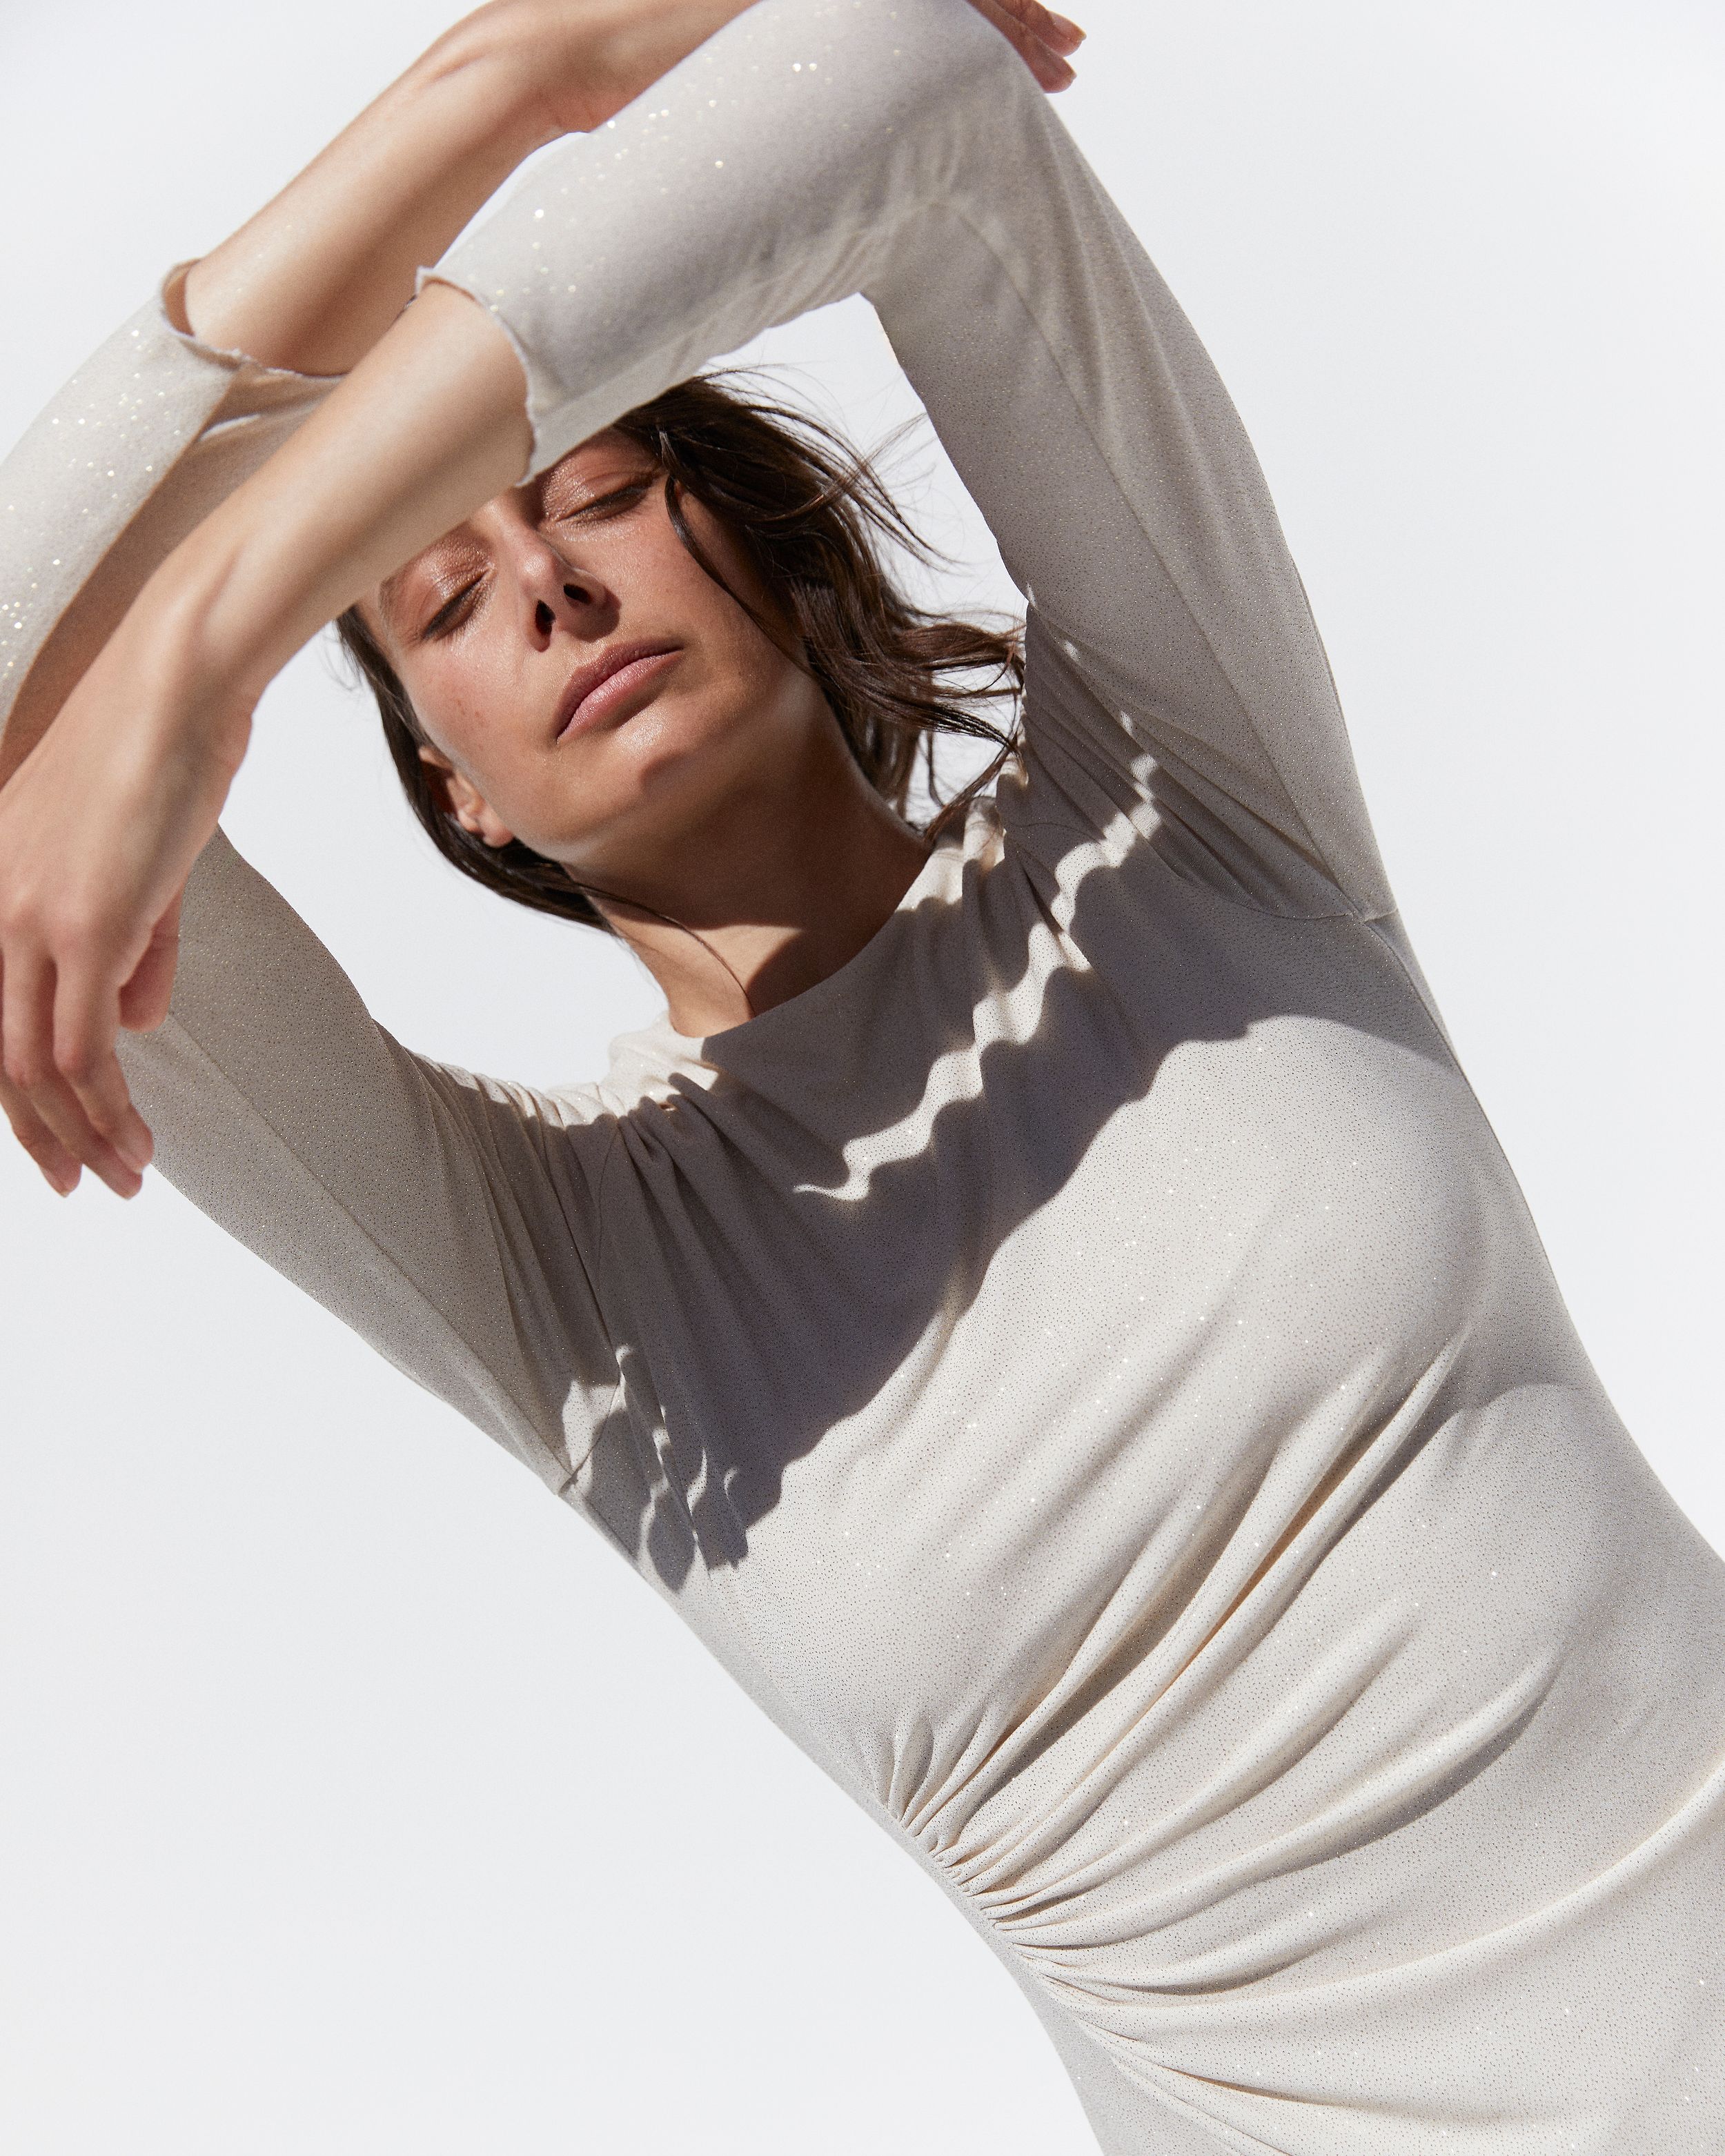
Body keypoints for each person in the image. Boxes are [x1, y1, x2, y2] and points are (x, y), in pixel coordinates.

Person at [1, 0, 1721, 2146]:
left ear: (762, 557)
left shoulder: (1189, 827)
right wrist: (461, 117)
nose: (540, 576)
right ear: (457, 796)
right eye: (438, 602)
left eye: (604, 489)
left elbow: (913, 82)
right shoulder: (559, 1281)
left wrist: (213, 609)